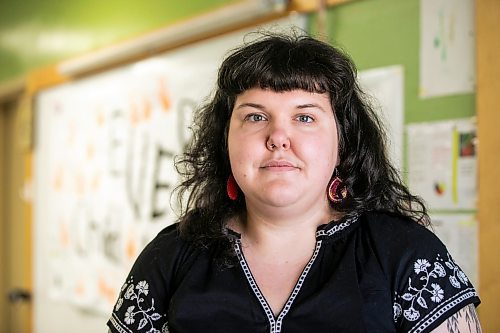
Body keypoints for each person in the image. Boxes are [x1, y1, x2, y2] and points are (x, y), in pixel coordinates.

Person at [107, 32, 481, 333]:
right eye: (255, 117)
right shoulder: (170, 257)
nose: (278, 137)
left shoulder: (406, 254)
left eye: (305, 117)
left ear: (343, 140)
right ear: (225, 138)